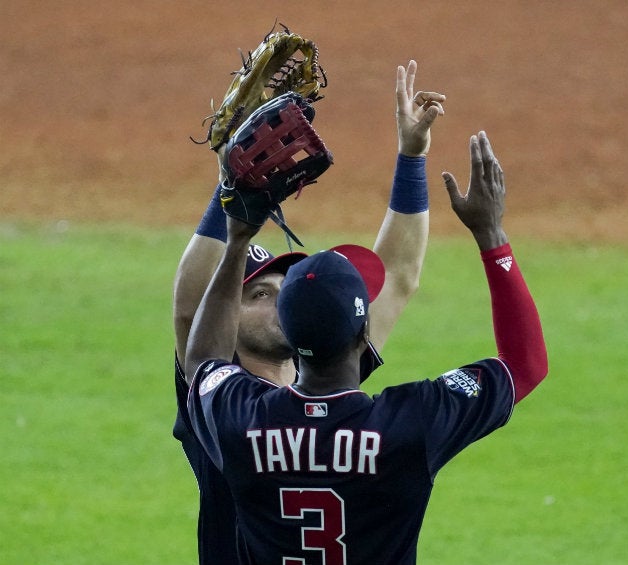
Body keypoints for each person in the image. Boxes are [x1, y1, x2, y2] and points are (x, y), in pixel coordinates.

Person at [184, 130, 547, 564]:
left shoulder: (240, 420)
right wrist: (492, 236)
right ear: (363, 338)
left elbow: (203, 359)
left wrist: (238, 236)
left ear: (292, 338)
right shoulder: (410, 424)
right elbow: (524, 365)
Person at [171, 60, 445, 564]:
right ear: (226, 318)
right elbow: (191, 309)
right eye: (258, 294)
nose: (280, 300)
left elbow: (399, 274)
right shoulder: (216, 401)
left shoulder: (330, 370)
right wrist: (233, 192)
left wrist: (412, 157)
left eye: (286, 290)